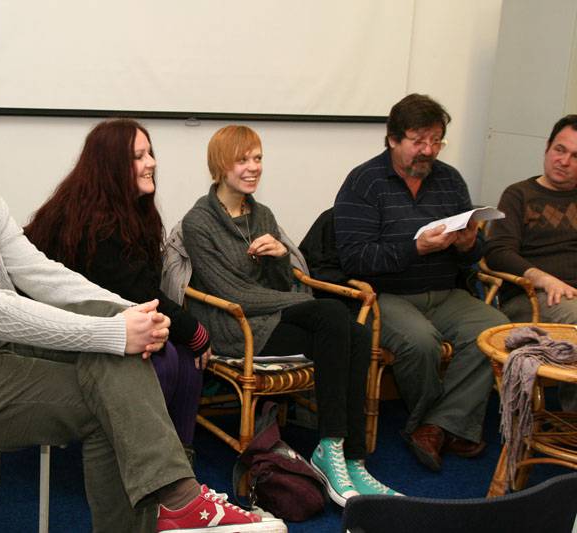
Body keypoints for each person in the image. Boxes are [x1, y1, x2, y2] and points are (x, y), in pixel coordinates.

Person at [0, 76, 285, 533]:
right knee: (110, 402)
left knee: (114, 346)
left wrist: (127, 313)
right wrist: (114, 333)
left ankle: (177, 502)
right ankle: (176, 501)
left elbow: (35, 269)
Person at [181, 125, 398, 506]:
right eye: (243, 160)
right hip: (236, 328)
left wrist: (280, 257)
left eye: (258, 158)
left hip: (269, 319)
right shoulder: (199, 221)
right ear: (220, 165)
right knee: (331, 313)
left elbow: (281, 282)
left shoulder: (262, 214)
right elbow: (232, 294)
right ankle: (331, 450)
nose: (254, 167)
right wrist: (294, 302)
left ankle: (350, 457)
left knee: (358, 335)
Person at [334, 93, 509, 472]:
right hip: (386, 295)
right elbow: (354, 258)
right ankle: (445, 424)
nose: (428, 150)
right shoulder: (364, 182)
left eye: (436, 141)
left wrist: (468, 244)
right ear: (393, 140)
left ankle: (433, 428)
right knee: (420, 343)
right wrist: (415, 248)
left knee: (495, 331)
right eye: (418, 141)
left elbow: (471, 255)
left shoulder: (450, 180)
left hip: (446, 293)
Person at [23, 118, 209, 460]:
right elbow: (139, 295)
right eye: (139, 156)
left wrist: (189, 334)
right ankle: (143, 463)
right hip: (69, 332)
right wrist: (196, 332)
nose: (151, 163)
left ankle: (179, 463)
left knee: (186, 357)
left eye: (149, 153)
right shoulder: (93, 224)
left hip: (116, 319)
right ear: (112, 167)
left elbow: (140, 293)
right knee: (166, 358)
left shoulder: (130, 211)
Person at [485, 114, 577, 411]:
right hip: (530, 297)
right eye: (560, 150)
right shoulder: (519, 195)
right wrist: (544, 279)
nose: (564, 161)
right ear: (547, 147)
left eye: (575, 156)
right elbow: (498, 251)